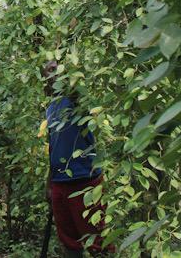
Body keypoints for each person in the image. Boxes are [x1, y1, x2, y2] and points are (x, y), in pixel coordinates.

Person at [42, 61, 113, 257]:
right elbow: (54, 147)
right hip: (60, 184)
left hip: (85, 181)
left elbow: (75, 90)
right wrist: (50, 183)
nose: (53, 74)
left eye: (57, 69)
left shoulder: (77, 100)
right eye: (49, 70)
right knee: (70, 243)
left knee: (98, 242)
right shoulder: (51, 107)